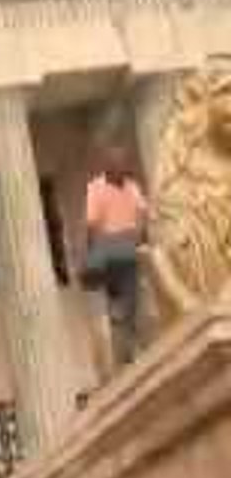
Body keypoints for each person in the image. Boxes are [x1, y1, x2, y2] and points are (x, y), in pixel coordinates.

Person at [83, 145, 149, 369]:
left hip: (130, 244)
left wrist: (139, 237)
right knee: (121, 297)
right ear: (107, 167)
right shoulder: (96, 188)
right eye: (115, 164)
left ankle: (130, 344)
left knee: (131, 298)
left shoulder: (132, 187)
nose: (120, 168)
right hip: (111, 246)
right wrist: (94, 254)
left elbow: (141, 214)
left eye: (122, 163)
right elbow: (92, 225)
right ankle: (126, 347)